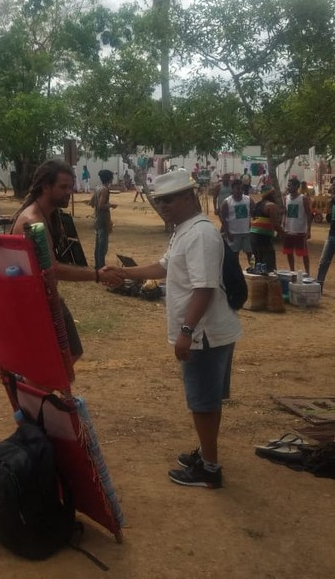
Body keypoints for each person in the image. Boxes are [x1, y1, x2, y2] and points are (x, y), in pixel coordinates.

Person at [103, 170, 241, 489]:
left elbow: (204, 289)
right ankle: (206, 454)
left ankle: (210, 469)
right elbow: (163, 267)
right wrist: (124, 272)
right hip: (205, 331)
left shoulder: (201, 234)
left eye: (168, 200)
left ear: (188, 197)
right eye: (159, 201)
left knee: (203, 402)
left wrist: (186, 331)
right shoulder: (185, 230)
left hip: (205, 334)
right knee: (206, 399)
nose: (163, 206)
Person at [11, 159, 121, 363]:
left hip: (45, 298)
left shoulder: (46, 215)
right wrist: (97, 275)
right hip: (36, 302)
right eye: (63, 187)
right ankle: (40, 385)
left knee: (68, 354)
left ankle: (42, 384)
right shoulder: (33, 221)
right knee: (60, 358)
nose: (69, 192)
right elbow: (52, 268)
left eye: (70, 187)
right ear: (46, 187)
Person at [217, 178, 254, 267]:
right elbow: (223, 218)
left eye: (241, 189)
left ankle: (253, 269)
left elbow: (254, 214)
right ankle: (236, 271)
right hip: (233, 234)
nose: (240, 191)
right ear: (232, 189)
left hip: (247, 233)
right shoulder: (227, 202)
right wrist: (227, 233)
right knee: (234, 255)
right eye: (237, 189)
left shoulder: (248, 200)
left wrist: (252, 228)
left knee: (250, 254)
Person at [249, 184, 282, 272]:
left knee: (258, 263)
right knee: (268, 266)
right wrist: (283, 233)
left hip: (253, 236)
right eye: (274, 194)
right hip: (264, 238)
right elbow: (275, 224)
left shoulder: (257, 204)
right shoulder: (271, 206)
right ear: (270, 195)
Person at [282, 177, 312, 275]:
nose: (288, 187)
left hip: (300, 231)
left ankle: (307, 272)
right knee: (289, 252)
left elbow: (309, 214)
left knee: (304, 253)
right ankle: (292, 271)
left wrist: (308, 230)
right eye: (288, 185)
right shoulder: (286, 198)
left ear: (296, 186)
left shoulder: (303, 198)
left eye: (290, 186)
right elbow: (285, 213)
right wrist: (283, 225)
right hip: (288, 230)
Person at [92, 169, 117, 269]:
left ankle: (97, 265)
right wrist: (110, 205)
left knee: (98, 244)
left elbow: (92, 202)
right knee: (102, 246)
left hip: (97, 218)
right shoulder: (105, 190)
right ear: (110, 179)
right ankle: (100, 266)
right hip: (103, 219)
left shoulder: (97, 188)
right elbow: (101, 205)